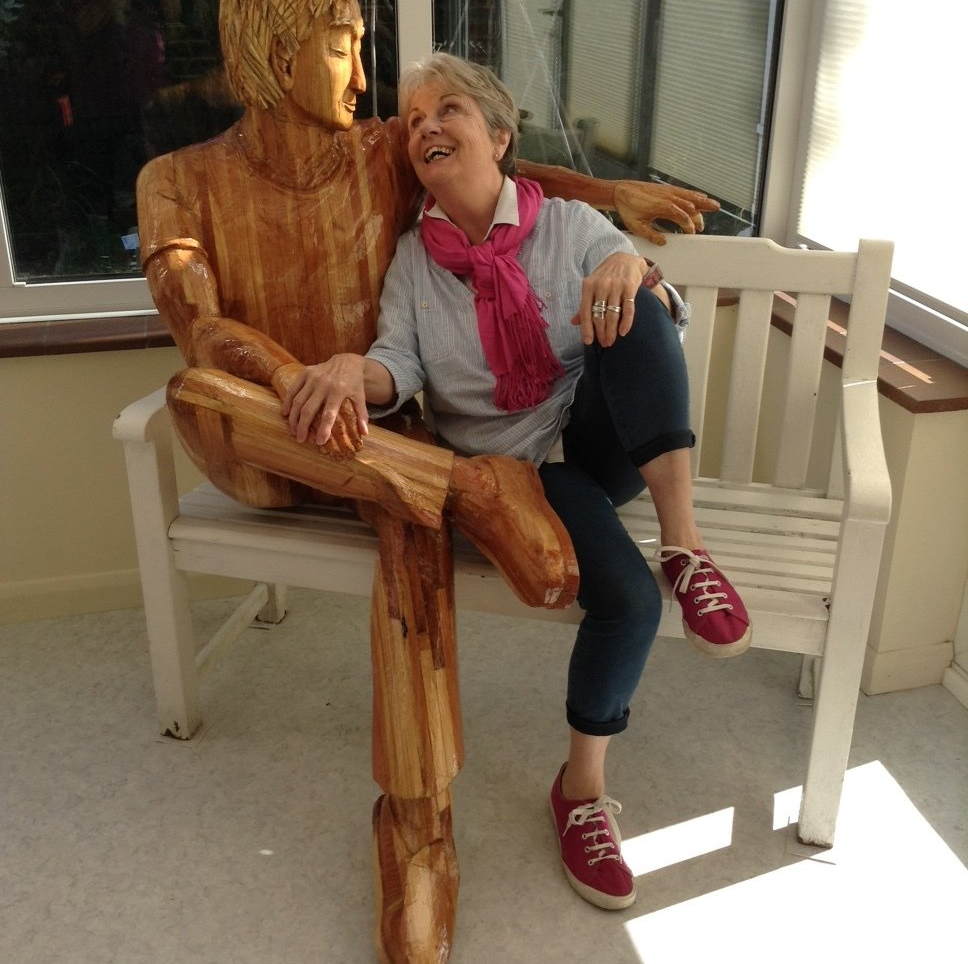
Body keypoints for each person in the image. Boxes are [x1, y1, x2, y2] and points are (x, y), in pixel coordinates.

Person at [136, 3, 720, 958]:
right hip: (280, 438)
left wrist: (610, 202)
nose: (364, 79)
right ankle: (474, 490)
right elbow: (198, 329)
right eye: (342, 49)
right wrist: (296, 377)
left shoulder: (383, 156)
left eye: (365, 50)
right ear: (274, 55)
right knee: (199, 385)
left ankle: (417, 833)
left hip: (384, 440)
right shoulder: (175, 181)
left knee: (407, 518)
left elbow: (505, 169)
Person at [283, 52, 752, 913]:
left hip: (598, 432)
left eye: (448, 109)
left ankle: (685, 547)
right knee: (628, 602)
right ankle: (580, 793)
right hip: (519, 470)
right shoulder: (413, 265)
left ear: (499, 137)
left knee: (637, 296)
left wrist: (629, 270)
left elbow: (646, 317)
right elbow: (398, 363)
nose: (425, 124)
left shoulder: (568, 225)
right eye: (414, 118)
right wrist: (353, 368)